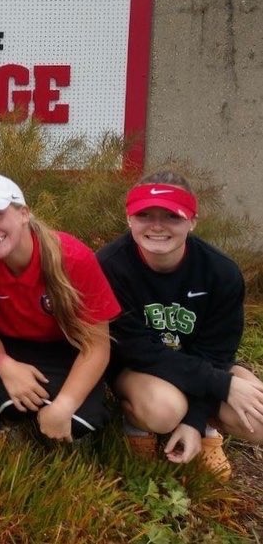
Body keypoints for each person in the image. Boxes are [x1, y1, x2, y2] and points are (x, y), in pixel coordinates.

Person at [98, 171, 263, 479]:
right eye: (144, 215)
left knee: (258, 416)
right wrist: (222, 385)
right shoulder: (109, 266)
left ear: (192, 221)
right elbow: (137, 350)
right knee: (164, 409)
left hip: (201, 364)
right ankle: (137, 423)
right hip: (138, 370)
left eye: (172, 216)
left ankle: (207, 429)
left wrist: (195, 422)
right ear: (129, 218)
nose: (157, 226)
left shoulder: (221, 272)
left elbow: (217, 352)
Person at [0, 173, 120, 442]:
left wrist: (64, 406)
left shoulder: (73, 258)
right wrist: (7, 368)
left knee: (79, 421)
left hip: (68, 348)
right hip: (13, 348)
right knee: (10, 405)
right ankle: (11, 422)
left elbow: (97, 346)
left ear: (24, 213)